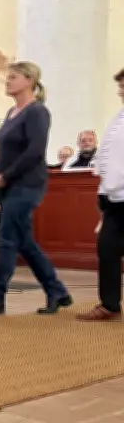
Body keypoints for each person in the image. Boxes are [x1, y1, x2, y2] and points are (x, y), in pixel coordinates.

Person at [0, 61, 72, 316]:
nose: (7, 81)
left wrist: (5, 176)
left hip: (27, 184)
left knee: (6, 239)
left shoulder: (37, 112)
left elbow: (34, 151)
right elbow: (7, 150)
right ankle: (57, 292)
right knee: (24, 242)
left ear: (29, 81)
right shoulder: (11, 112)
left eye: (13, 77)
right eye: (8, 77)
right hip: (9, 184)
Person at [77, 69, 124, 321]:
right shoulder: (118, 118)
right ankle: (110, 305)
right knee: (107, 249)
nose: (121, 92)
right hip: (115, 199)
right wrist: (104, 193)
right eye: (120, 87)